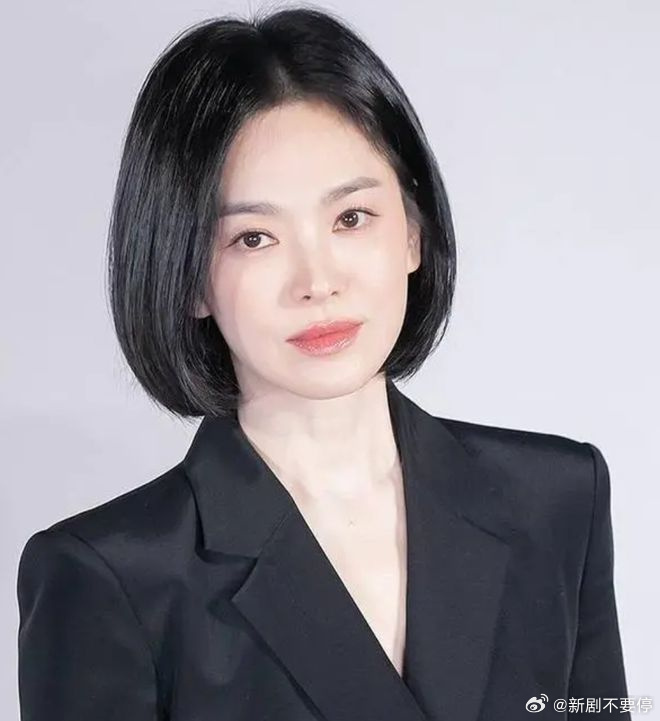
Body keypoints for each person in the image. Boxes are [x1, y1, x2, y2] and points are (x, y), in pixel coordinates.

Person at [16, 6, 629, 720]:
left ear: (413, 233)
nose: (317, 281)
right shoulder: (110, 577)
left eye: (350, 218)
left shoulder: (558, 501)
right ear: (189, 281)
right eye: (253, 238)